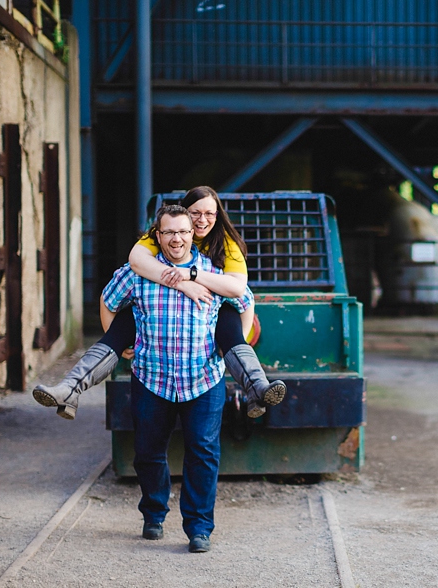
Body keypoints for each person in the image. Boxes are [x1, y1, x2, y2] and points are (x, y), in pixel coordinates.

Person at [33, 186, 283, 420]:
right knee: (122, 327)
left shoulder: (225, 244)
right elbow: (137, 262)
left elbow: (241, 292)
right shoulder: (162, 234)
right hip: (158, 303)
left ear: (217, 216)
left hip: (213, 307)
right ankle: (69, 389)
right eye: (195, 213)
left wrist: (193, 275)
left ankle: (258, 389)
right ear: (183, 215)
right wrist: (182, 283)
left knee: (230, 330)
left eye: (209, 213)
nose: (201, 220)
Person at [109, 205, 257, 552]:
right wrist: (119, 343)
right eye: (169, 232)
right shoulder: (138, 272)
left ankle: (199, 528)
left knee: (203, 452)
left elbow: (245, 300)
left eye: (183, 232)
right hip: (151, 377)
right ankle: (154, 514)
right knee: (147, 450)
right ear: (157, 236)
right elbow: (109, 300)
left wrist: (234, 346)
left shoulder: (214, 273)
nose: (176, 239)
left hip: (203, 378)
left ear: (194, 234)